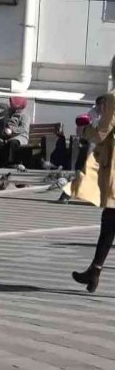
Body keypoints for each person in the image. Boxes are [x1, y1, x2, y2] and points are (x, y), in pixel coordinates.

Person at [71, 60, 115, 292]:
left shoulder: (112, 98)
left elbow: (102, 132)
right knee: (110, 220)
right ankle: (94, 271)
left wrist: (84, 130)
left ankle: (94, 271)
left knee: (110, 219)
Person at [0, 96, 30, 167]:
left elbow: (24, 128)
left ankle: (10, 162)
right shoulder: (9, 114)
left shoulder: (24, 116)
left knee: (12, 143)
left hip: (19, 136)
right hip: (6, 136)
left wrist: (12, 130)